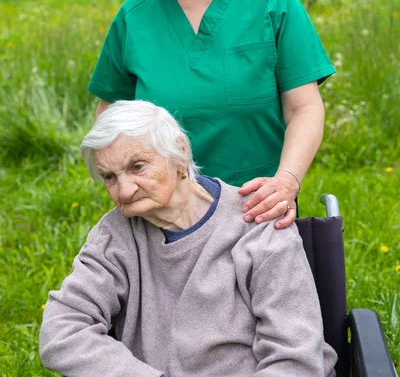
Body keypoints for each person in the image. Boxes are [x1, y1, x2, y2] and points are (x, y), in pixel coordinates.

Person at [88, 0, 335, 229]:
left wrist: (285, 182)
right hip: (164, 218)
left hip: (256, 208)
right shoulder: (133, 17)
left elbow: (304, 109)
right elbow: (110, 121)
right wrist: (137, 184)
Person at [40, 100, 337, 377]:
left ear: (179, 154)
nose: (125, 190)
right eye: (109, 177)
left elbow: (295, 360)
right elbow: (62, 330)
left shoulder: (257, 222)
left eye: (137, 166)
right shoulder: (115, 235)